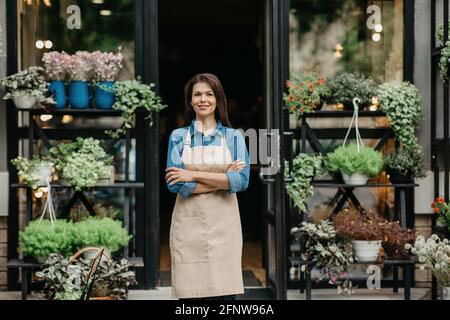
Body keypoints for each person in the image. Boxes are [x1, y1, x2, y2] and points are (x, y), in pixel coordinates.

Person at [165, 73, 250, 300]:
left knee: (223, 295)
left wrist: (191, 174)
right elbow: (176, 185)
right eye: (197, 94)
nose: (203, 99)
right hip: (188, 227)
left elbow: (241, 181)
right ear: (190, 101)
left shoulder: (234, 138)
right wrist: (223, 179)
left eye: (209, 94)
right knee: (191, 296)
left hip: (224, 228)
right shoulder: (178, 137)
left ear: (218, 100)